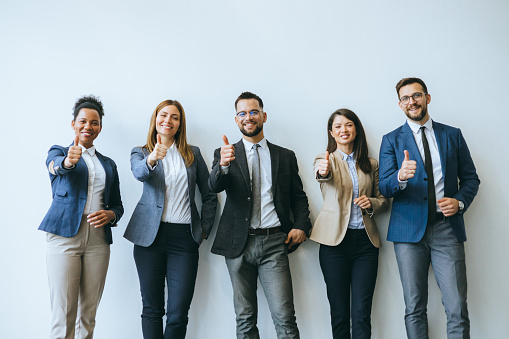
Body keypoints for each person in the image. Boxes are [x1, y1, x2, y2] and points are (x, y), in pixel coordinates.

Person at [379, 77, 480, 339]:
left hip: (447, 229)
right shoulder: (391, 140)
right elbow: (384, 187)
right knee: (414, 307)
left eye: (416, 95)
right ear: (399, 104)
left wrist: (458, 202)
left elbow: (471, 179)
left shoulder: (452, 134)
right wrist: (400, 176)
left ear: (427, 97)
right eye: (405, 98)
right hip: (408, 234)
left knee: (457, 306)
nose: (411, 101)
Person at [208, 91, 312, 339]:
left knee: (284, 317)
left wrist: (302, 225)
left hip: (275, 242)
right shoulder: (225, 153)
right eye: (242, 113)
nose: (248, 117)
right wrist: (223, 166)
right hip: (237, 244)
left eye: (253, 112)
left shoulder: (285, 156)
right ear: (236, 120)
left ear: (263, 116)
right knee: (245, 319)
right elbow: (214, 187)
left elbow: (298, 197)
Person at [123, 99, 217, 339]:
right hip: (148, 239)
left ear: (180, 124)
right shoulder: (141, 152)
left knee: (178, 313)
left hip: (184, 239)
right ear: (155, 119)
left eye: (175, 117)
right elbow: (139, 173)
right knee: (152, 309)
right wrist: (153, 157)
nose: (168, 121)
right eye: (163, 115)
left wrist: (203, 230)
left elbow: (209, 194)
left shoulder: (192, 154)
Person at [38, 95, 124, 339]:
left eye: (94, 122)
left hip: (98, 241)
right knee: (63, 312)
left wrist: (111, 214)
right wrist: (67, 161)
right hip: (64, 237)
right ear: (73, 124)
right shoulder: (60, 152)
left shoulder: (108, 164)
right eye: (83, 121)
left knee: (88, 314)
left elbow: (118, 205)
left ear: (100, 127)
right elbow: (55, 166)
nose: (88, 126)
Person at [311, 109, 389, 339]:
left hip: (366, 243)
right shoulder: (324, 159)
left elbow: (384, 201)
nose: (343, 130)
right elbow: (321, 174)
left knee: (362, 312)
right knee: (339, 312)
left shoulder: (371, 164)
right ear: (331, 133)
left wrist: (371, 203)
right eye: (338, 126)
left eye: (348, 125)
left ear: (356, 130)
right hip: (334, 244)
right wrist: (322, 170)